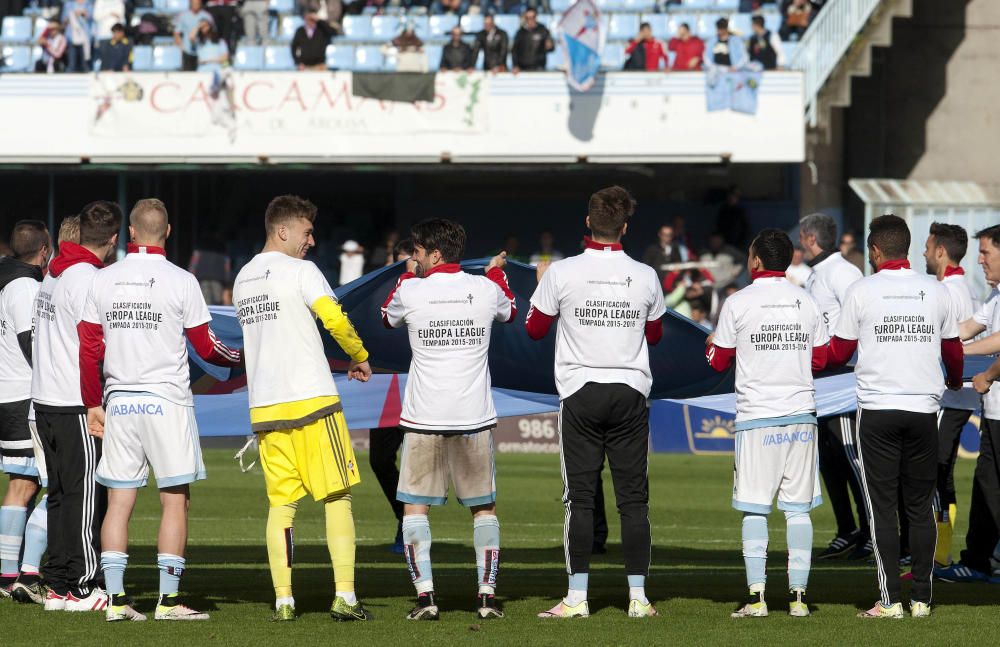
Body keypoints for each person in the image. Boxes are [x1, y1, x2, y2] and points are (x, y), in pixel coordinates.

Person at [78, 199, 242, 622]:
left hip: (120, 399)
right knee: (175, 501)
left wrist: (93, 402)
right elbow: (207, 348)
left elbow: (89, 347)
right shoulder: (182, 279)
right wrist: (247, 358)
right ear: (167, 232)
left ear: (130, 233)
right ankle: (168, 602)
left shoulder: (104, 279)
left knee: (118, 503)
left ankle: (115, 601)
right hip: (166, 401)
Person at [232, 195, 372, 622]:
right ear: (283, 230)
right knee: (337, 497)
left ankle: (284, 600)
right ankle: (345, 596)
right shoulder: (301, 271)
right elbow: (334, 317)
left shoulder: (242, 279)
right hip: (313, 400)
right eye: (307, 231)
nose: (312, 240)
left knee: (282, 505)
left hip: (266, 409)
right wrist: (359, 354)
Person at [528, 186, 665, 619]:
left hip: (581, 391)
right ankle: (639, 599)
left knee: (580, 498)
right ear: (625, 227)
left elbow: (533, 329)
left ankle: (576, 598)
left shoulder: (561, 272)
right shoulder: (645, 274)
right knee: (634, 500)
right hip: (629, 391)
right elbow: (656, 335)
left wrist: (541, 287)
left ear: (587, 223)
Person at [827, 214, 962, 619]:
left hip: (878, 410)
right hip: (923, 409)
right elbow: (952, 350)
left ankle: (889, 602)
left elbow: (837, 352)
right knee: (920, 506)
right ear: (907, 246)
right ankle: (921, 598)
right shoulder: (935, 290)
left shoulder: (862, 289)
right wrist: (954, 381)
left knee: (882, 507)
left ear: (874, 250)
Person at [380, 219, 516, 621]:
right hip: (473, 417)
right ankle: (487, 599)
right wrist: (494, 271)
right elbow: (510, 311)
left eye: (417, 252)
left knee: (415, 511)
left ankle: (426, 600)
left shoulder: (410, 290)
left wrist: (405, 277)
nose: (413, 259)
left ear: (434, 254)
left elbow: (385, 316)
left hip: (424, 419)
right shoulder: (486, 288)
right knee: (484, 510)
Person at [706, 228, 828, 618]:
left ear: (755, 261)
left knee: (756, 509)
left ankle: (757, 598)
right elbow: (822, 360)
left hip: (757, 417)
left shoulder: (738, 302)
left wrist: (711, 344)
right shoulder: (805, 300)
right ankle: (798, 599)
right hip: (801, 417)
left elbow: (718, 363)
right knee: (798, 511)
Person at [32, 201, 123, 612]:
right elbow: (91, 347)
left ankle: (58, 583)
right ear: (114, 239)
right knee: (85, 495)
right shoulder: (87, 278)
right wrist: (94, 404)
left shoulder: (55, 272)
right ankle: (82, 587)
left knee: (60, 496)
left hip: (46, 399)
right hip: (73, 402)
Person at [10, 218, 75, 605]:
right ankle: (32, 571)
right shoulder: (58, 285)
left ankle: (20, 572)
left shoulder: (41, 286)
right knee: (62, 490)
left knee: (43, 486)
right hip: (55, 401)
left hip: (35, 399)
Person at [798, 214, 869, 560]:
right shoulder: (817, 273)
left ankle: (871, 530)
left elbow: (861, 318)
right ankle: (847, 529)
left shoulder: (843, 272)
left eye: (801, 237)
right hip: (821, 378)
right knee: (828, 458)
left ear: (811, 238)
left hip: (841, 378)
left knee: (852, 456)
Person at [935, 224, 1000, 582]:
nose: (979, 260)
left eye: (986, 252)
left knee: (991, 484)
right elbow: (969, 328)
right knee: (986, 483)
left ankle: (981, 559)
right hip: (992, 410)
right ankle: (976, 560)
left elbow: (995, 342)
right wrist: (935, 343)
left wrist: (973, 366)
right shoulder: (994, 296)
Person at [919, 223, 981, 568]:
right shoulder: (957, 288)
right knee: (940, 473)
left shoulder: (948, 292)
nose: (925, 253)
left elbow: (952, 344)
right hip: (958, 396)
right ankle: (939, 553)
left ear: (940, 251)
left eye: (928, 247)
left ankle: (936, 555)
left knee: (932, 473)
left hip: (951, 396)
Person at [0, 221, 51, 598]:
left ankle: (8, 575)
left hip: (7, 392)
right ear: (44, 250)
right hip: (24, 395)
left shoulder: (6, 281)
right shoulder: (25, 287)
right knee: (55, 483)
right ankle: (28, 574)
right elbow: (32, 343)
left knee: (20, 485)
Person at [369, 238, 415, 555]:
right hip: (385, 388)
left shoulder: (425, 293)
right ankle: (404, 517)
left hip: (420, 387)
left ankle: (409, 528)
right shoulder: (377, 293)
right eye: (398, 263)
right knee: (379, 460)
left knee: (418, 464)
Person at [187, 237, 232, 305]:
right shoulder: (221, 247)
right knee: (218, 303)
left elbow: (194, 263)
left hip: (203, 277)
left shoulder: (200, 246)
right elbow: (227, 265)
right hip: (218, 279)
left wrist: (190, 278)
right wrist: (227, 281)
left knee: (205, 303)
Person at [174, 0, 214, 72]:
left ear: (201, 4)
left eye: (197, 3)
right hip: (187, 49)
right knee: (188, 74)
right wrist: (180, 44)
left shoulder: (207, 16)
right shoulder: (183, 15)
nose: (195, 5)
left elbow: (212, 32)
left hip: (203, 50)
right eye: (193, 3)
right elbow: (177, 32)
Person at [291, 5, 335, 71]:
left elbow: (332, 32)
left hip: (319, 65)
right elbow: (293, 47)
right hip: (305, 66)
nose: (310, 21)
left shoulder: (321, 29)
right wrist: (298, 62)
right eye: (308, 18)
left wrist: (320, 20)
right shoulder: (300, 31)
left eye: (312, 19)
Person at [511, 8, 553, 73]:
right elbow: (514, 50)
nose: (530, 20)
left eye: (533, 17)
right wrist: (515, 65)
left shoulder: (543, 30)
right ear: (525, 18)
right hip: (523, 67)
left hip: (538, 67)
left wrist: (550, 45)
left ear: (536, 17)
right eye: (528, 18)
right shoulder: (520, 32)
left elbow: (551, 48)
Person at [61, 0, 93, 73]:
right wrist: (72, 15)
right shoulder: (68, 5)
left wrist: (83, 13)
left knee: (85, 63)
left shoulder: (88, 4)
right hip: (72, 36)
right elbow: (63, 20)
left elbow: (92, 17)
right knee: (72, 63)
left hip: (85, 37)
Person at [92, 0, 125, 68]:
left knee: (115, 59)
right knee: (104, 60)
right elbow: (96, 16)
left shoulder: (119, 2)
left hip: (116, 37)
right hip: (103, 35)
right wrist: (110, 13)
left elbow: (122, 18)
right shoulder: (100, 1)